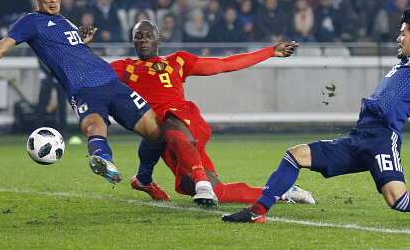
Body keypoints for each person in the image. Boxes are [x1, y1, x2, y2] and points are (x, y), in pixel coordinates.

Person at [221, 7, 410, 223]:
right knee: (294, 154)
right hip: (359, 137)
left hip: (381, 140)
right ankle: (256, 212)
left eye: (402, 34)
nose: (397, 39)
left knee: (397, 200)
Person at [0, 0, 164, 186]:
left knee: (157, 136)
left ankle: (143, 179)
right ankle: (103, 159)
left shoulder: (66, 22)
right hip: (83, 87)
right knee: (95, 126)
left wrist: (83, 42)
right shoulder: (30, 22)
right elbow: (2, 47)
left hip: (110, 80)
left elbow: (73, 53)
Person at [107, 20, 315, 206]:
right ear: (132, 41)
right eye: (138, 36)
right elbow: (92, 72)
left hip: (183, 121)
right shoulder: (125, 67)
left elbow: (224, 64)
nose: (144, 40)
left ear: (159, 40)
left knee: (170, 127)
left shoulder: (177, 60)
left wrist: (269, 52)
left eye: (149, 35)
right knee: (220, 192)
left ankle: (189, 182)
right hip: (165, 138)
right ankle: (284, 192)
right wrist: (79, 45)